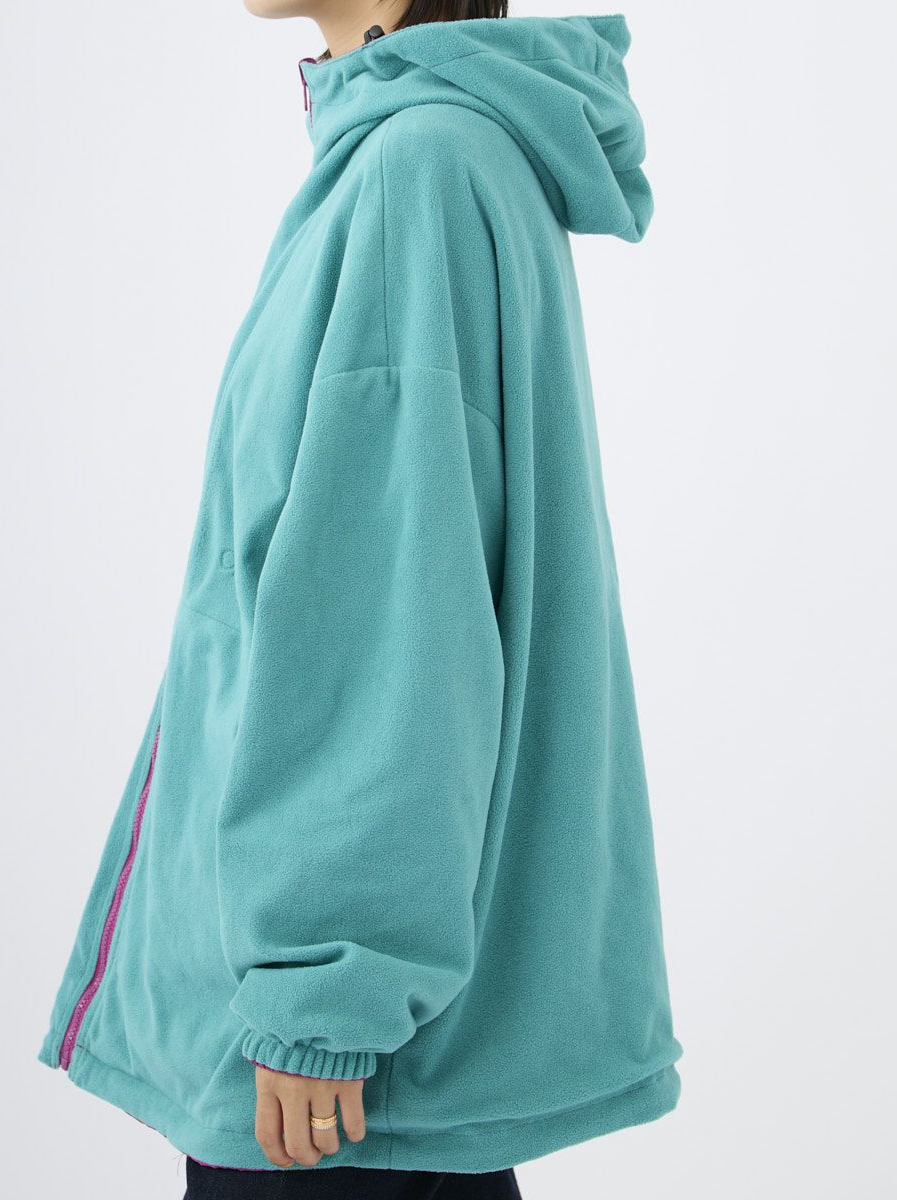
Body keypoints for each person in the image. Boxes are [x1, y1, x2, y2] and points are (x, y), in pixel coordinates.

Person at [38, 4, 682, 1197]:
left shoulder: (414, 169)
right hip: (370, 1029)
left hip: (331, 1059)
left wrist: (324, 989)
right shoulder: (433, 151)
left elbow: (393, 620)